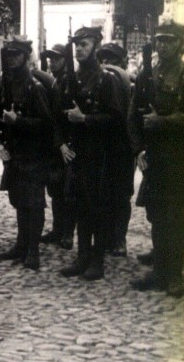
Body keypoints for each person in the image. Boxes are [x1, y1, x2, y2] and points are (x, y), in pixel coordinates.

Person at [129, 20, 184, 298]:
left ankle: (174, 274)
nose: (163, 45)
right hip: (154, 156)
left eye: (169, 41)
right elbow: (133, 116)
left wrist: (162, 122)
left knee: (176, 215)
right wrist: (138, 149)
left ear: (181, 45)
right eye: (160, 40)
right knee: (158, 214)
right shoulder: (147, 75)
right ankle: (159, 271)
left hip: (179, 156)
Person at [57, 27, 127, 281]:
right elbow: (60, 114)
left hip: (101, 153)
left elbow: (116, 119)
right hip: (78, 151)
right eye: (76, 45)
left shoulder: (105, 79)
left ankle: (97, 261)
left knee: (98, 206)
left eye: (84, 45)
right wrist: (63, 142)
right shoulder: (73, 79)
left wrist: (84, 118)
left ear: (96, 47)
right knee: (78, 204)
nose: (79, 49)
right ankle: (82, 256)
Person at [0, 36, 53, 270]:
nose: (12, 59)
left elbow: (47, 124)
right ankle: (21, 244)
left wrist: (19, 121)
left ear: (26, 57)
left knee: (34, 202)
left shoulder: (34, 87)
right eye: (9, 55)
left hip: (34, 154)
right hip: (13, 153)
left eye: (17, 55)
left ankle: (33, 250)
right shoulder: (6, 84)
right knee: (18, 198)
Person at [96, 42, 134, 257]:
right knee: (101, 193)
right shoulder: (95, 82)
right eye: (103, 59)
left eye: (113, 60)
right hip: (100, 145)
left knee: (121, 194)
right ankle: (104, 237)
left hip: (122, 146)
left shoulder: (131, 83)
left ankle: (119, 238)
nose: (107, 64)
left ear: (124, 62)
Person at [40, 44, 76, 251]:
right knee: (55, 189)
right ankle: (57, 229)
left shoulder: (69, 81)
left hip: (68, 143)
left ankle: (68, 233)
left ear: (65, 60)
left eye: (57, 59)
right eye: (50, 59)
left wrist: (64, 143)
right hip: (56, 142)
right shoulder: (54, 81)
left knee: (68, 191)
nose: (52, 62)